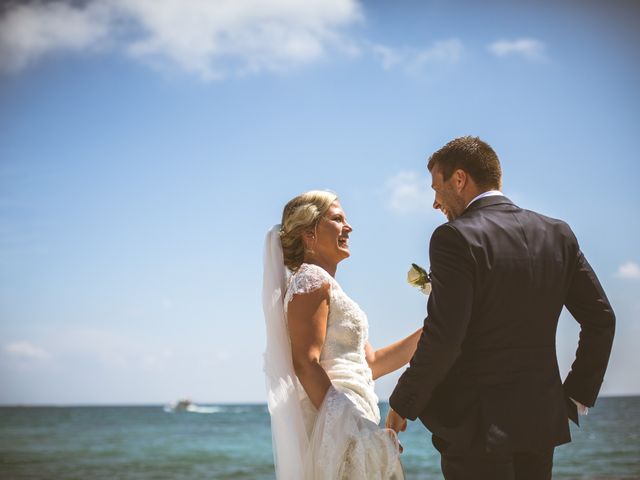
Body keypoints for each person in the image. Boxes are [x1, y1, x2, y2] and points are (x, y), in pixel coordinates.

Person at [385, 136, 616, 480]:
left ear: (459, 179)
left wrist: (402, 402)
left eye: (437, 187)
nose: (435, 202)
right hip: (540, 422)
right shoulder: (558, 233)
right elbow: (601, 319)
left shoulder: (453, 237)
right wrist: (577, 394)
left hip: (476, 426)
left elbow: (445, 337)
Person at [263, 190, 421, 479]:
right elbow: (305, 362)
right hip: (337, 423)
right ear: (309, 233)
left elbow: (370, 363)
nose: (348, 227)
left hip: (353, 412)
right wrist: (349, 431)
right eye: (337, 219)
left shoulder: (326, 285)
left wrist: (432, 329)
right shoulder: (311, 280)